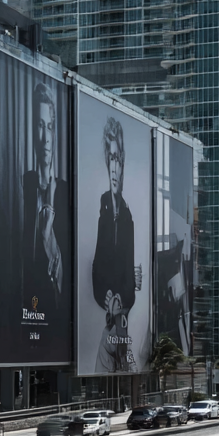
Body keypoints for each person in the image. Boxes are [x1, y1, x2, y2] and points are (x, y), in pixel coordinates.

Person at [91, 116, 142, 373]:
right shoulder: (102, 209)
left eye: (118, 160)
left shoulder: (128, 217)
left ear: (123, 164)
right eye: (111, 159)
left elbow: (129, 285)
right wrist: (107, 297)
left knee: (128, 365)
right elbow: (96, 269)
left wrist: (123, 294)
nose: (114, 168)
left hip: (121, 332)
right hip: (114, 333)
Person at [21, 82, 69, 327]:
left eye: (50, 127)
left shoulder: (65, 193)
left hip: (56, 321)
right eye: (40, 126)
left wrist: (47, 236)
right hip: (23, 314)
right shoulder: (23, 185)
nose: (46, 138)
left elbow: (67, 279)